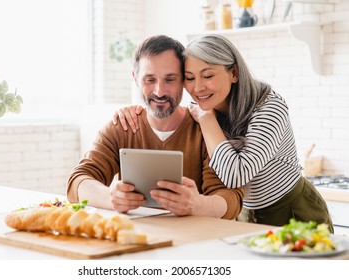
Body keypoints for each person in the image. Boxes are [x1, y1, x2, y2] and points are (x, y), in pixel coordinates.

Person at [113, 34, 334, 232]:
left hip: (293, 210)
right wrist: (134, 111)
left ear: (234, 73)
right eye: (189, 78)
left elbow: (235, 175)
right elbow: (166, 114)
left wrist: (207, 120)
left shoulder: (269, 106)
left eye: (208, 76)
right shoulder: (205, 107)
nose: (198, 88)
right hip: (244, 215)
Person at [66, 35, 244, 219]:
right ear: (135, 79)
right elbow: (77, 181)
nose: (159, 92)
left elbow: (231, 199)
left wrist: (197, 204)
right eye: (149, 80)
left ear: (184, 80)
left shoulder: (207, 130)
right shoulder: (122, 127)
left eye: (170, 79)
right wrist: (111, 198)